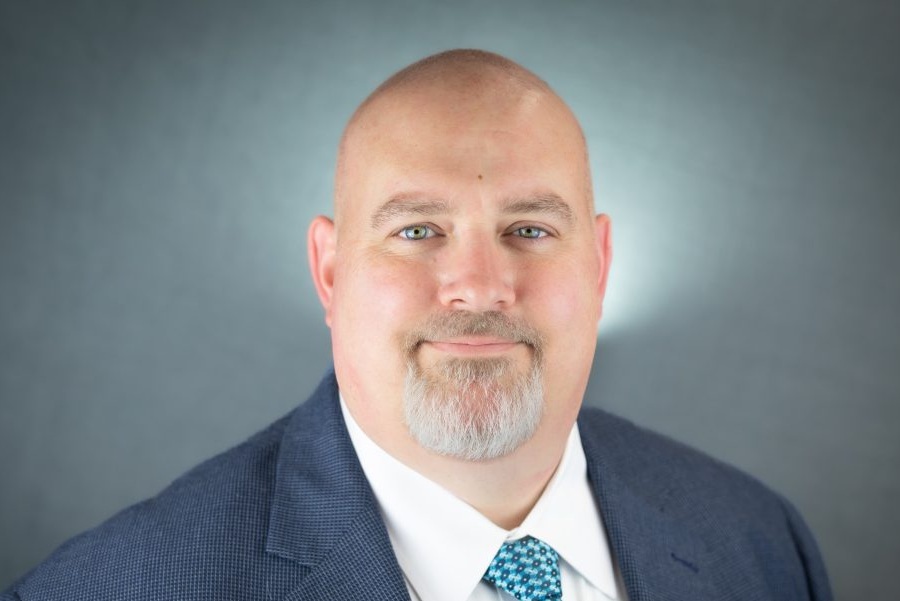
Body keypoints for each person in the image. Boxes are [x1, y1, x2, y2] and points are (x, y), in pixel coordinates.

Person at [2, 49, 832, 601]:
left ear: (601, 264)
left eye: (530, 229)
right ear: (331, 272)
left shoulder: (758, 544)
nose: (477, 286)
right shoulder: (120, 586)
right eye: (417, 231)